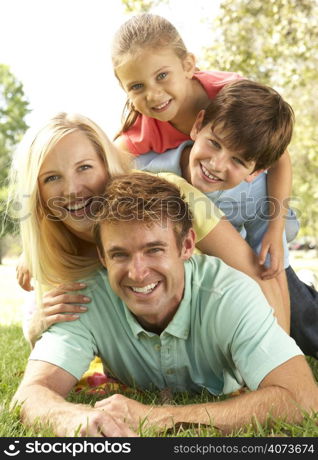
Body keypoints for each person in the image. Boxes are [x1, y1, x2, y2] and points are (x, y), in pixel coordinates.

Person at [11, 173, 318, 437]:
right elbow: (30, 395)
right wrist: (71, 418)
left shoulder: (230, 294)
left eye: (154, 249)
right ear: (103, 257)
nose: (138, 272)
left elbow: (303, 398)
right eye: (120, 255)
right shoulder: (84, 298)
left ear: (186, 246)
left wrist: (155, 417)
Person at [10, 112, 289, 346]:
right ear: (39, 194)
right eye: (52, 178)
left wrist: (280, 357)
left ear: (106, 164)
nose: (72, 191)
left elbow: (257, 276)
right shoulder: (54, 246)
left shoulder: (170, 194)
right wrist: (37, 325)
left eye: (84, 167)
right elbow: (52, 341)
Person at [135, 79, 318, 358]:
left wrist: (280, 355)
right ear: (198, 126)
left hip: (244, 257)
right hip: (195, 271)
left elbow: (269, 273)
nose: (217, 164)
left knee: (301, 317)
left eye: (238, 161)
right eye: (214, 143)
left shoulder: (256, 191)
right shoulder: (147, 170)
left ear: (255, 171)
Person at [111, 13, 295, 275]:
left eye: (162, 75)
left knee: (276, 270)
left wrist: (275, 230)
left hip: (253, 198)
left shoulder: (229, 95)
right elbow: (96, 167)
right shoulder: (142, 130)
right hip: (208, 200)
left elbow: (279, 159)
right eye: (137, 86)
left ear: (188, 65)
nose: (153, 94)